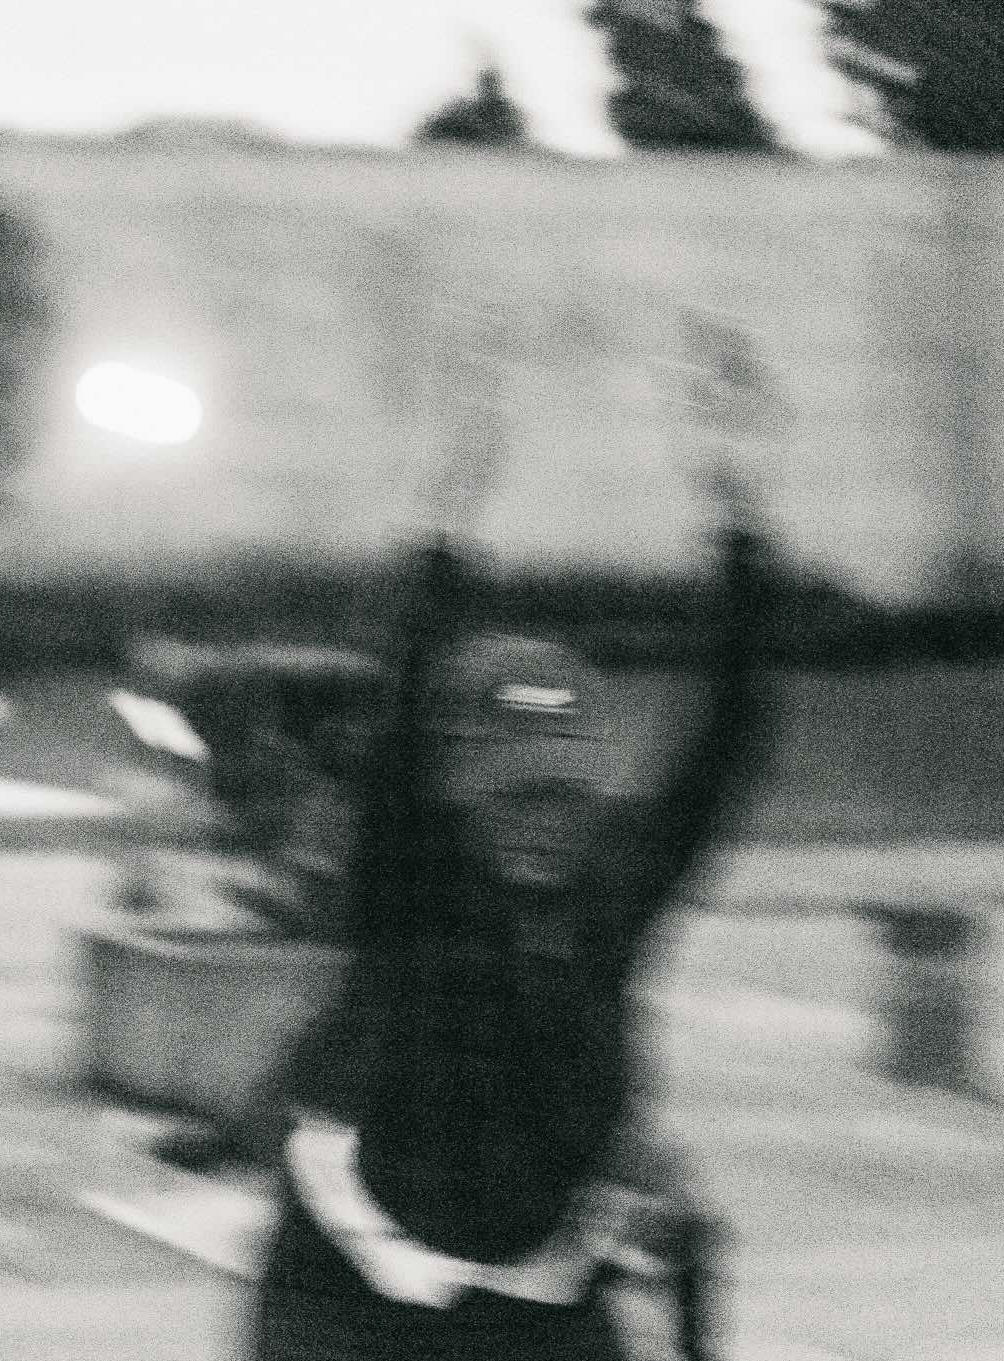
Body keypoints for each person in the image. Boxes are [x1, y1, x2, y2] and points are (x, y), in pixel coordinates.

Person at [251, 471, 774, 1361]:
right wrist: (440, 551)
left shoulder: (612, 894)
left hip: (539, 1299)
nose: (543, 821)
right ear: (460, 798)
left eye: (565, 796)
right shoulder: (410, 894)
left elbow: (722, 754)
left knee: (680, 1240)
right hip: (353, 1304)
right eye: (513, 795)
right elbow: (396, 754)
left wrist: (743, 552)